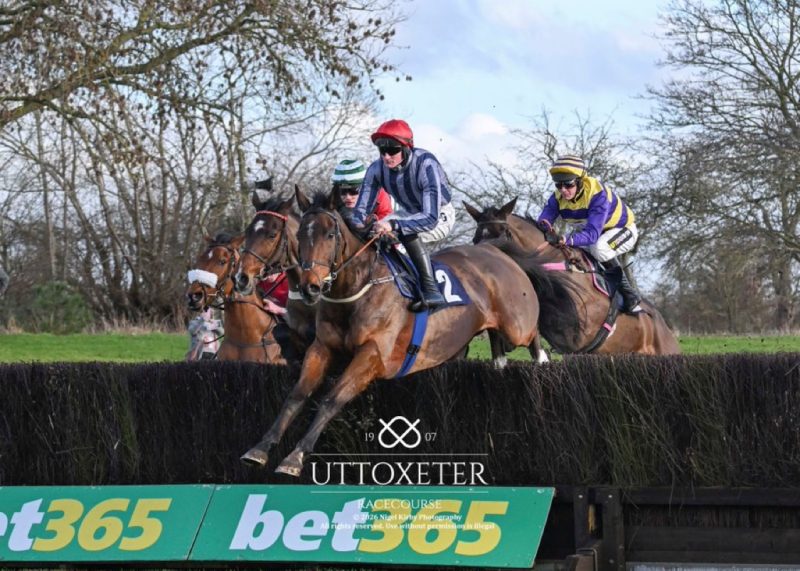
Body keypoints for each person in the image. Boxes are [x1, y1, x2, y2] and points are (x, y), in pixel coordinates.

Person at [351, 119, 455, 312]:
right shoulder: (376, 169)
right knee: (376, 233)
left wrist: (395, 225)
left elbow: (429, 218)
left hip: (438, 214)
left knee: (405, 231)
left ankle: (431, 290)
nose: (386, 157)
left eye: (392, 151)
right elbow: (359, 212)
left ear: (407, 148)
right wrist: (359, 226)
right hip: (406, 211)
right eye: (382, 151)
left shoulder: (426, 164)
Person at [537, 154, 643, 314]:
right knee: (570, 251)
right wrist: (545, 227)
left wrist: (564, 238)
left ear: (580, 180)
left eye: (568, 185)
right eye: (558, 185)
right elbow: (545, 218)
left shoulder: (597, 195)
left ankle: (630, 295)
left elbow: (592, 235)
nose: (563, 190)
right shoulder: (558, 197)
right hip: (593, 233)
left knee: (600, 249)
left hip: (622, 231)